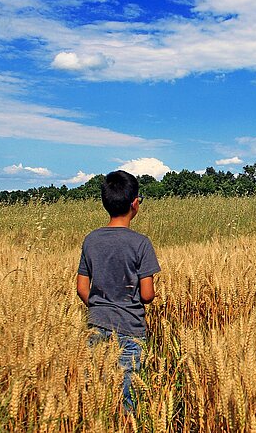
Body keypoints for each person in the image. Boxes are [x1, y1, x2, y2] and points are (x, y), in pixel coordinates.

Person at [77, 170, 160, 410]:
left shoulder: (91, 239)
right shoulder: (141, 243)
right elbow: (147, 295)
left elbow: (82, 287)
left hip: (97, 324)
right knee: (126, 398)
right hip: (130, 329)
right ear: (135, 204)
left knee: (98, 392)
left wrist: (100, 306)